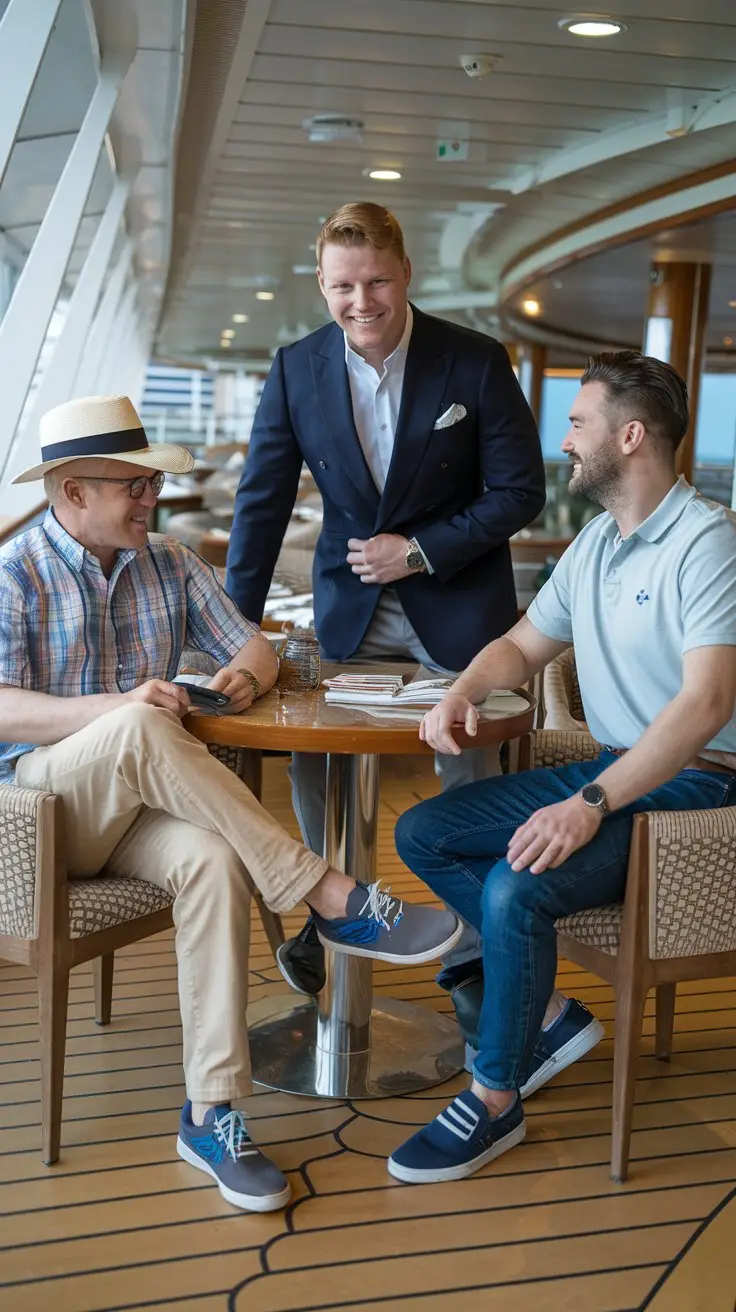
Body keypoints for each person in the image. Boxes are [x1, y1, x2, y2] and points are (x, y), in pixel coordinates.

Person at [0, 394, 462, 1210]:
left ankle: (211, 1112)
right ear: (72, 492)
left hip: (133, 816)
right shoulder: (14, 570)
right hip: (39, 818)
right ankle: (330, 895)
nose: (152, 497)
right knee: (139, 721)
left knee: (214, 860)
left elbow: (252, 642)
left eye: (151, 483)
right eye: (133, 485)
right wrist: (114, 710)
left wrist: (241, 678)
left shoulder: (170, 561)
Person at [387, 351, 736, 1185]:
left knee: (516, 886)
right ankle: (543, 1010)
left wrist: (588, 803)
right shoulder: (595, 543)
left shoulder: (708, 541)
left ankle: (495, 1098)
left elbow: (706, 705)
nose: (565, 439)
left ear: (631, 434)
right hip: (616, 767)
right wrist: (464, 689)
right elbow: (521, 645)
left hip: (701, 782)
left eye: (578, 422)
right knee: (425, 831)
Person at [225, 201, 546, 998]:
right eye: (341, 285)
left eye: (374, 281)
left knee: (467, 767)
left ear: (405, 274)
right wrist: (229, 627)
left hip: (460, 606)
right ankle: (327, 905)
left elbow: (521, 491)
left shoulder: (473, 359)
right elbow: (260, 507)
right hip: (350, 611)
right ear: (321, 283)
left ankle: (471, 947)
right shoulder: (296, 367)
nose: (359, 301)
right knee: (313, 756)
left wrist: (422, 550)